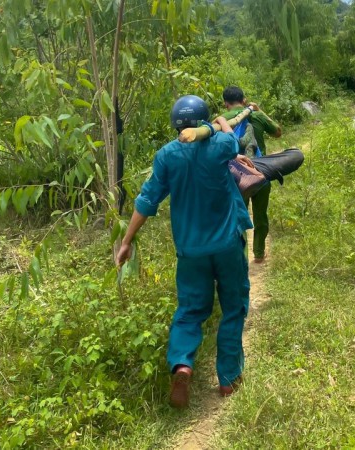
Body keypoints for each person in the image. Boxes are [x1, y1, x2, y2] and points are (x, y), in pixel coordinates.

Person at [115, 95, 254, 409]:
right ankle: (229, 378)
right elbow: (232, 140)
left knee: (190, 311)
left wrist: (127, 241)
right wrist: (219, 122)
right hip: (227, 244)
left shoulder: (167, 156)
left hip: (191, 251)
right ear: (203, 120)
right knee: (233, 306)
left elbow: (147, 201)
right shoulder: (219, 145)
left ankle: (182, 364)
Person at [222, 86, 282, 263]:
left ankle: (239, 256)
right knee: (260, 214)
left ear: (226, 104)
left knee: (238, 217)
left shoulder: (222, 121)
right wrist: (259, 110)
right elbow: (277, 132)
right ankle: (259, 253)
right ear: (244, 100)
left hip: (236, 177)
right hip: (260, 171)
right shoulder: (256, 116)